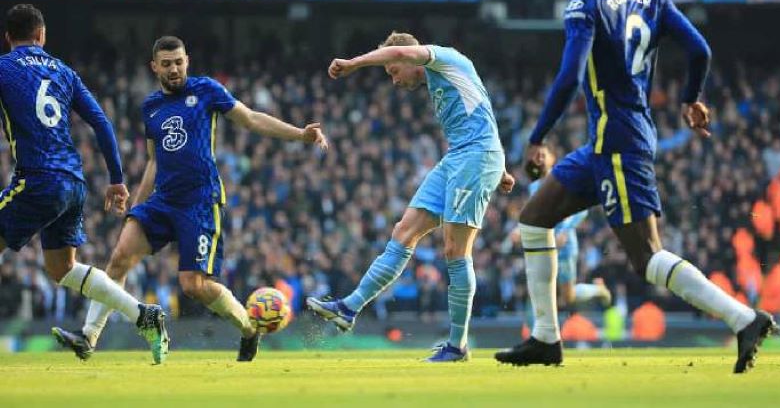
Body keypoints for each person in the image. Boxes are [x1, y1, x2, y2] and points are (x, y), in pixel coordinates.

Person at [494, 0, 776, 374]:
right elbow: (700, 49)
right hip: (608, 143)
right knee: (534, 219)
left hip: (619, 143)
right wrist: (690, 99)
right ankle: (546, 338)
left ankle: (743, 318)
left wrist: (537, 136)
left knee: (647, 256)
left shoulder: (586, 0)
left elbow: (570, 76)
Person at [52, 35, 328, 362]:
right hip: (163, 201)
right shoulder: (150, 106)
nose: (174, 69)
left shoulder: (206, 90)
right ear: (154, 67)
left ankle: (248, 329)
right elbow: (154, 161)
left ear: (188, 61)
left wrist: (300, 134)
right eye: (166, 64)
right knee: (119, 257)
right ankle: (88, 336)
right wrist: (138, 205)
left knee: (194, 285)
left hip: (200, 202)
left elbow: (251, 118)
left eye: (179, 62)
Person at [306, 32, 515, 362]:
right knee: (404, 232)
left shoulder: (444, 57)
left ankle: (457, 345)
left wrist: (354, 63)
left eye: (392, 71)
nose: (394, 81)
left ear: (407, 57)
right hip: (460, 157)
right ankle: (349, 308)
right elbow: (480, 108)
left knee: (455, 250)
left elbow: (404, 51)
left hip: (475, 156)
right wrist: (500, 170)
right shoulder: (437, 80)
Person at [0, 4, 168, 364]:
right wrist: (116, 179)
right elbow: (102, 123)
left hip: (38, 178)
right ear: (42, 36)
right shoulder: (63, 71)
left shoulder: (4, 68)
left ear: (7, 38)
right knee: (62, 269)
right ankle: (144, 314)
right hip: (73, 183)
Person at [526, 144, 610, 311]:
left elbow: (582, 210)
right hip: (545, 244)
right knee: (540, 289)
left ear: (552, 159)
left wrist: (564, 230)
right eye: (536, 156)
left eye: (543, 155)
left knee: (568, 296)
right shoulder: (533, 187)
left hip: (564, 245)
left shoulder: (563, 180)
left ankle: (598, 289)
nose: (539, 159)